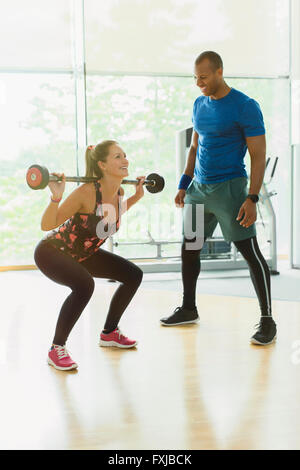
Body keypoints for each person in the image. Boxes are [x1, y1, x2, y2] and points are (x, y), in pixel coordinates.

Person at [160, 51, 277, 346]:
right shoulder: (199, 104)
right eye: (195, 77)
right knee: (190, 248)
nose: (198, 83)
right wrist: (184, 183)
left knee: (249, 251)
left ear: (220, 72)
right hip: (199, 190)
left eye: (204, 77)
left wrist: (252, 198)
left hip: (230, 189)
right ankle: (188, 308)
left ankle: (267, 320)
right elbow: (194, 147)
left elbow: (258, 155)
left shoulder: (245, 106)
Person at [34, 140, 145, 370]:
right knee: (84, 285)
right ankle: (56, 349)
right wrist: (56, 197)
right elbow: (47, 224)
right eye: (117, 157)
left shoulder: (118, 192)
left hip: (84, 253)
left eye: (125, 155)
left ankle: (110, 333)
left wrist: (136, 197)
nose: (125, 160)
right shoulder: (86, 192)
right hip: (52, 251)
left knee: (133, 275)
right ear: (103, 165)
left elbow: (112, 214)